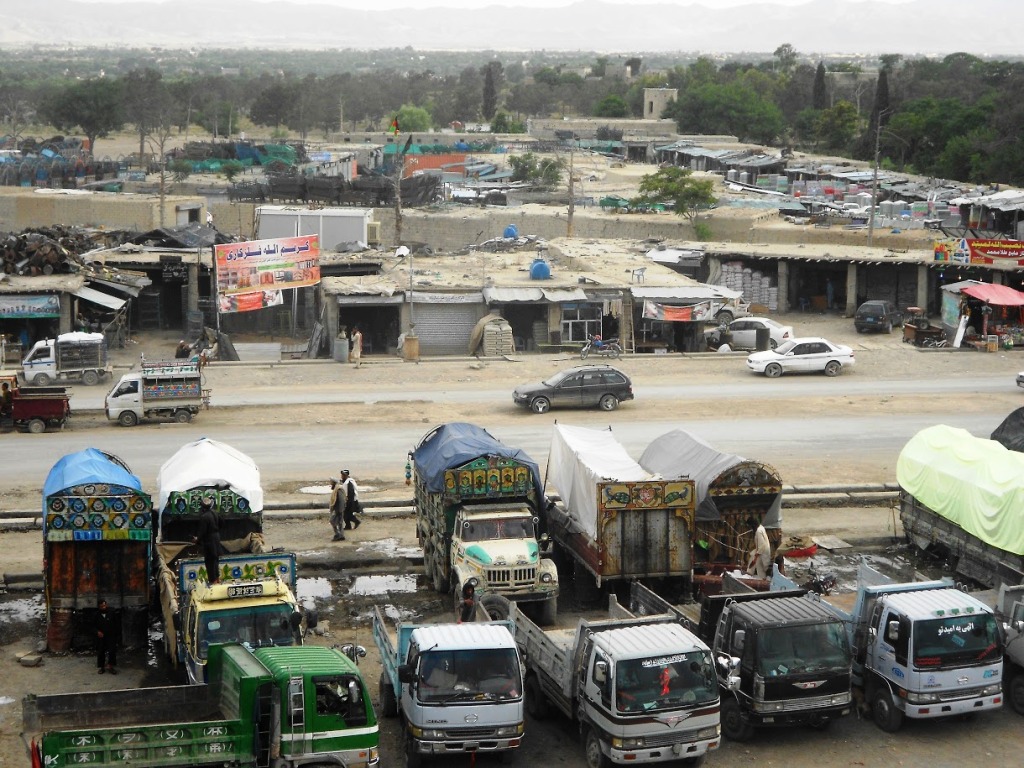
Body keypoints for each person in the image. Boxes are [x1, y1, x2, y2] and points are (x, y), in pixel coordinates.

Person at [193, 496, 222, 584]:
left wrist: (197, 540)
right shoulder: (215, 513)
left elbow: (202, 532)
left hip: (209, 540)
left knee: (209, 561)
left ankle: (212, 580)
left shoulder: (204, 517)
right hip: (216, 538)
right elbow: (222, 523)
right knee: (215, 560)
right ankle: (217, 579)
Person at [95, 598, 117, 675]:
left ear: (106, 605)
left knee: (112, 651)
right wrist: (97, 632)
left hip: (111, 635)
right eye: (101, 606)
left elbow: (116, 623)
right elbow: (92, 625)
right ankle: (102, 667)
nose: (103, 607)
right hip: (101, 636)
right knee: (101, 651)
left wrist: (115, 634)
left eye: (104, 605)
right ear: (99, 607)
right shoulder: (96, 614)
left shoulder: (112, 612)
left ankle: (110, 666)